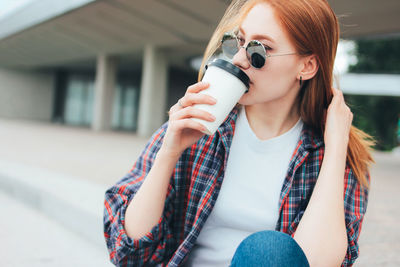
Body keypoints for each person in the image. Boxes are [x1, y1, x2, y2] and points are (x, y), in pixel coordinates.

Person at [103, 0, 375, 266]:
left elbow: (318, 262)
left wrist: (337, 148)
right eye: (237, 42)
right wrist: (169, 152)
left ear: (306, 66)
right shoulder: (200, 128)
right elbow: (129, 254)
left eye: (260, 50)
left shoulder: (330, 153)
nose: (238, 59)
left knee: (269, 251)